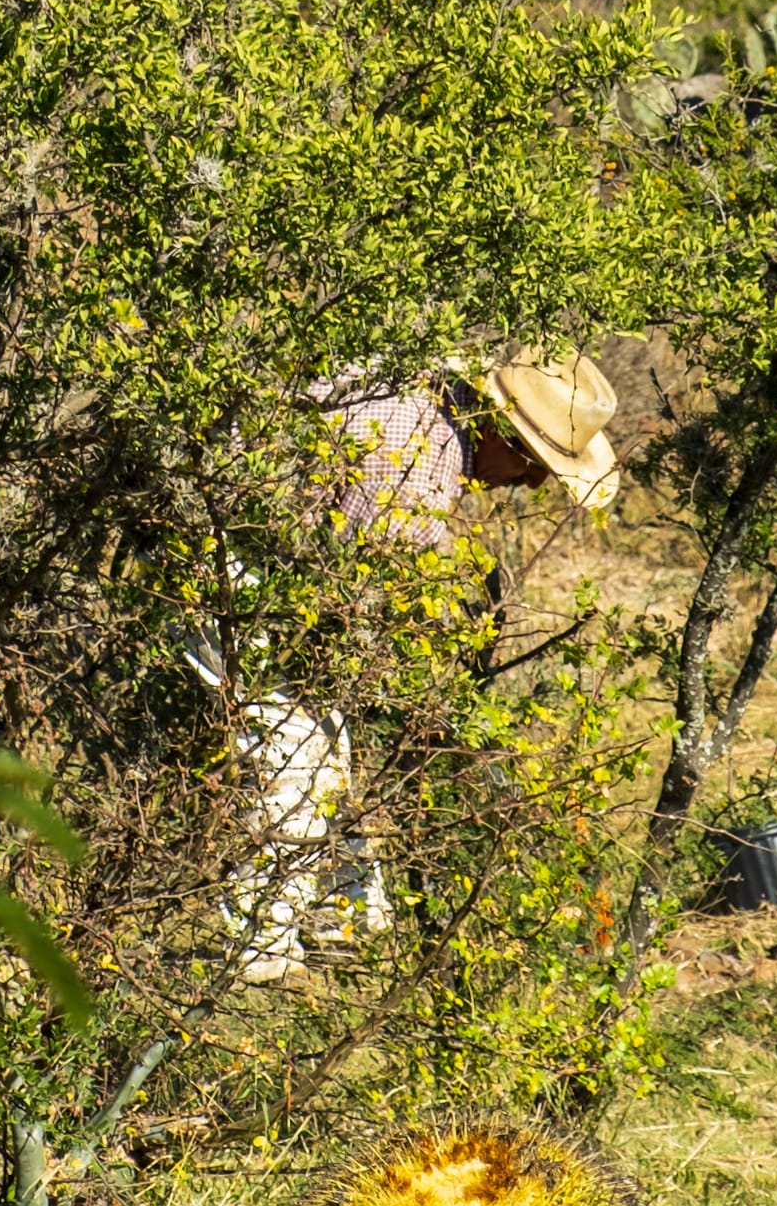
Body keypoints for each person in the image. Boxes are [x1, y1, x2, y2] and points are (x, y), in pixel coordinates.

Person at [191, 350, 620, 983]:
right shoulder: (414, 468)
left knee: (328, 761)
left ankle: (340, 926)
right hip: (239, 584)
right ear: (497, 428)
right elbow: (362, 598)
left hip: (279, 578)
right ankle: (255, 967)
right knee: (296, 767)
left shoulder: (422, 389)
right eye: (533, 463)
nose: (529, 485)